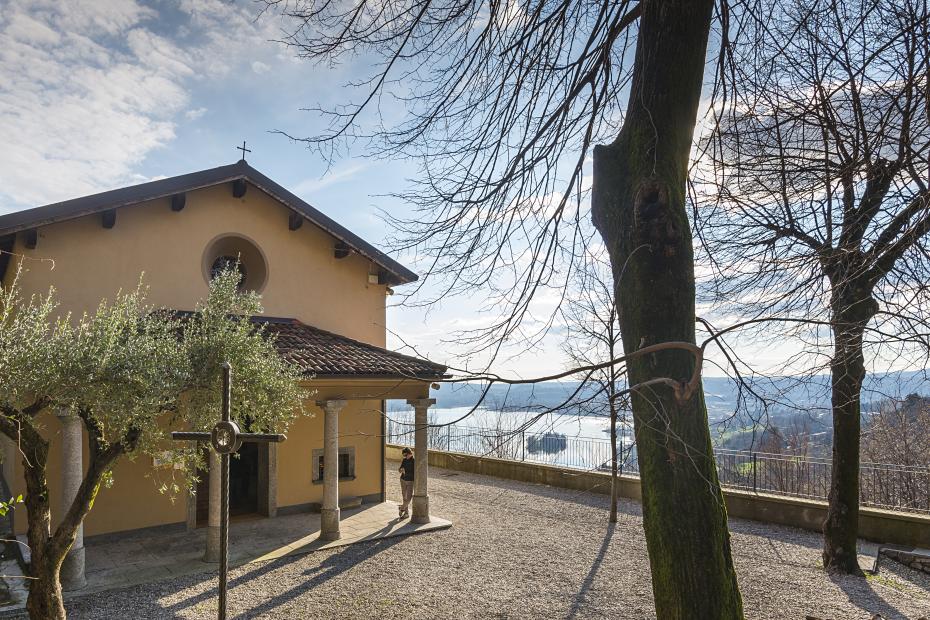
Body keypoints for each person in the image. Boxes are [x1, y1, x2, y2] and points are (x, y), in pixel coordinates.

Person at [398, 447, 414, 518]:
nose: (404, 457)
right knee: (404, 497)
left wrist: (406, 473)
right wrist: (400, 470)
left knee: (409, 497)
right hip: (402, 480)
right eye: (404, 455)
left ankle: (402, 509)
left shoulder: (414, 461)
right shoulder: (404, 460)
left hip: (410, 481)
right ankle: (406, 513)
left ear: (409, 453)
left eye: (405, 455)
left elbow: (415, 473)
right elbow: (400, 468)